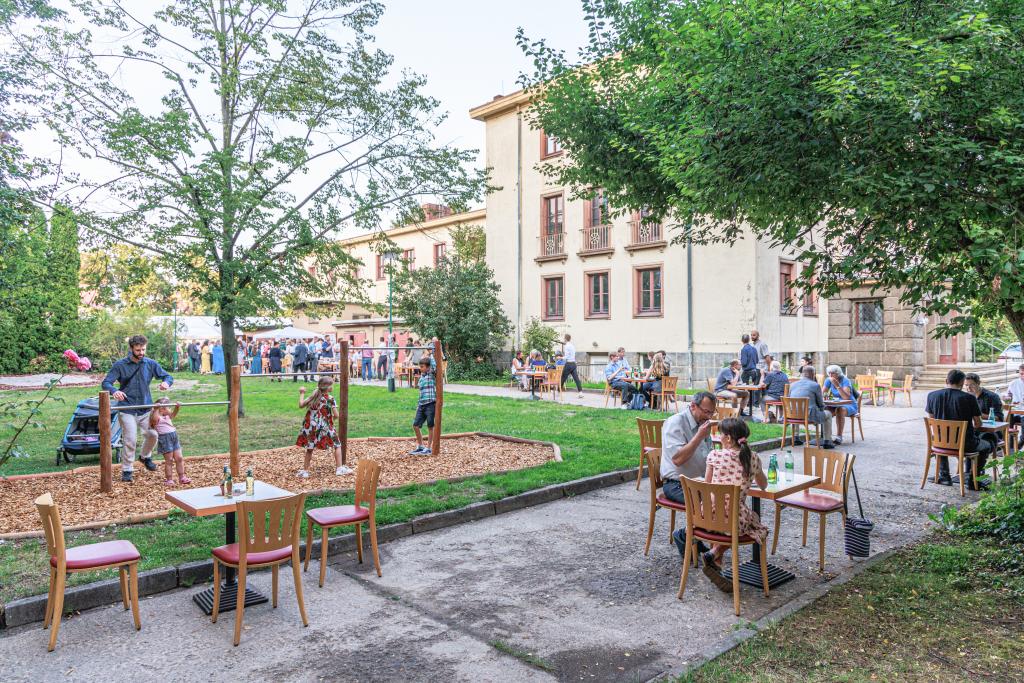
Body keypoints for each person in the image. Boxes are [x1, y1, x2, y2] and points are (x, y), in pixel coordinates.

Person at [701, 417, 768, 591]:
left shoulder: (714, 455)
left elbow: (706, 485)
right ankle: (714, 553)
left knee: (726, 525)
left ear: (728, 439)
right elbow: (764, 485)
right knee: (754, 522)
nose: (718, 436)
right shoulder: (752, 458)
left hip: (706, 515)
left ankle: (717, 568)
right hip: (733, 520)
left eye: (720, 434)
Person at [101, 334, 174, 483]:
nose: (141, 353)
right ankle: (127, 469)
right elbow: (106, 382)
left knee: (153, 434)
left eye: (143, 350)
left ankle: (145, 457)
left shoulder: (150, 363)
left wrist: (166, 383)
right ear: (131, 349)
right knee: (130, 440)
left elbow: (168, 376)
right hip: (127, 408)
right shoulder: (120, 365)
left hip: (145, 408)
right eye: (138, 350)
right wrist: (115, 391)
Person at [662, 391, 716, 559]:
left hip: (700, 482)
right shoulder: (675, 423)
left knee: (727, 500)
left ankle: (707, 544)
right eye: (706, 412)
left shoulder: (703, 423)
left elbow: (709, 455)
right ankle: (684, 535)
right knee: (712, 506)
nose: (708, 416)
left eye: (711, 413)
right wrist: (700, 435)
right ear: (693, 406)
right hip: (676, 484)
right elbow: (678, 459)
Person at [927, 369, 991, 489]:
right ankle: (973, 481)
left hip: (940, 444)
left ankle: (945, 477)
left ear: (946, 381)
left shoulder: (932, 395)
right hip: (966, 444)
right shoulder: (969, 398)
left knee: (941, 439)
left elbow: (932, 420)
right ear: (962, 383)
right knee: (986, 446)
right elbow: (978, 423)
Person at [296, 377, 350, 477]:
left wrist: (302, 393)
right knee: (337, 445)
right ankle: (339, 468)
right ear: (328, 387)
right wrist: (330, 421)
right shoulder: (330, 399)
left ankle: (305, 471)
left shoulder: (313, 396)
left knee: (310, 448)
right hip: (325, 426)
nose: (333, 387)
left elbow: (301, 405)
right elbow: (337, 415)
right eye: (332, 385)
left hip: (311, 427)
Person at [789, 365, 834, 447]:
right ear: (813, 374)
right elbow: (820, 404)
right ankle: (827, 441)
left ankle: (796, 438)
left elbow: (790, 400)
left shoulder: (792, 385)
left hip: (792, 415)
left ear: (802, 374)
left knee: (797, 409)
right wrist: (822, 409)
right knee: (828, 414)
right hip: (809, 415)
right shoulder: (815, 385)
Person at [149, 398, 190, 486]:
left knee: (179, 458)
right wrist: (156, 409)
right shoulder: (157, 417)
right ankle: (169, 479)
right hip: (165, 439)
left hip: (174, 437)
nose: (170, 409)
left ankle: (182, 477)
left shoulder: (167, 416)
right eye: (169, 407)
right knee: (169, 460)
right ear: (162, 409)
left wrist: (177, 408)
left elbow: (173, 415)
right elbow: (154, 420)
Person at [965, 372, 1005, 457]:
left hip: (991, 432)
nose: (968, 388)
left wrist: (978, 415)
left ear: (978, 383)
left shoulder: (992, 396)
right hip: (974, 429)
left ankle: (976, 467)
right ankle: (970, 467)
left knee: (979, 442)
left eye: (971, 385)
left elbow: (999, 418)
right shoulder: (967, 397)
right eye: (966, 385)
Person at [823, 365, 858, 445]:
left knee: (840, 410)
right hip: (835, 403)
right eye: (829, 373)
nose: (830, 375)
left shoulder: (845, 380)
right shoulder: (828, 380)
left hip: (849, 404)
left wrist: (837, 385)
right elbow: (823, 393)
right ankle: (827, 437)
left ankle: (839, 436)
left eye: (833, 373)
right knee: (825, 409)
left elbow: (846, 397)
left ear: (838, 373)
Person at [409, 358, 437, 455]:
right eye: (420, 366)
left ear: (428, 367)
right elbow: (420, 393)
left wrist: (432, 350)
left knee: (430, 426)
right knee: (415, 425)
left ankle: (429, 448)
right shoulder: (421, 378)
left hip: (430, 404)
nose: (420, 368)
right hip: (421, 405)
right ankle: (421, 446)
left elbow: (434, 365)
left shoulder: (431, 375)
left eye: (422, 367)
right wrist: (418, 405)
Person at [559, 333, 584, 398]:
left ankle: (558, 392)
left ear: (565, 339)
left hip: (568, 364)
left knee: (562, 378)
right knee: (576, 379)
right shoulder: (572, 346)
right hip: (573, 364)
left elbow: (567, 356)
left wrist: (560, 358)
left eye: (563, 338)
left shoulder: (567, 346)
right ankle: (580, 393)